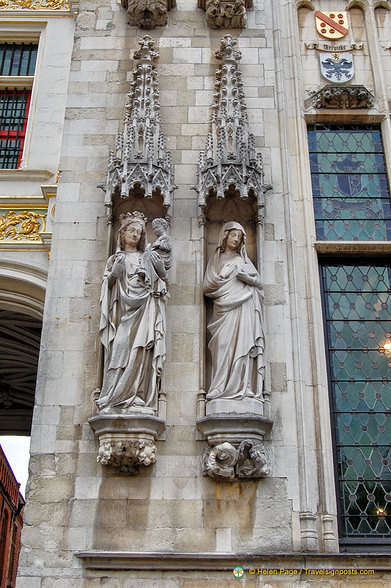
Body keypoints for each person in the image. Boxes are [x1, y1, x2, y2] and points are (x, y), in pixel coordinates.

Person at [96, 211, 168, 414]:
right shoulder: (116, 259)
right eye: (132, 231)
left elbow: (162, 279)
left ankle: (137, 395)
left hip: (146, 307)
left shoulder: (146, 256)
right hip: (123, 313)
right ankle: (113, 396)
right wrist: (115, 274)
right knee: (120, 348)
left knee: (142, 350)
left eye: (139, 232)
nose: (136, 235)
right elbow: (107, 287)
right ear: (122, 233)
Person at [203, 221, 264, 401]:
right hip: (223, 310)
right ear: (225, 235)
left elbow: (259, 284)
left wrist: (246, 277)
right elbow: (207, 287)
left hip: (244, 308)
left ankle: (243, 387)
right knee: (222, 346)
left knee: (242, 348)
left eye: (239, 237)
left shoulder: (243, 261)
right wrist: (222, 277)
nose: (236, 240)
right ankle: (219, 386)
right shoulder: (217, 259)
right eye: (233, 236)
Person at [137, 217, 172, 292]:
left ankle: (144, 271)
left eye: (157, 227)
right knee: (146, 254)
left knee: (148, 254)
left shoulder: (166, 237)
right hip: (157, 257)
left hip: (162, 258)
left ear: (164, 227)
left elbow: (168, 247)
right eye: (153, 228)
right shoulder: (159, 239)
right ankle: (144, 271)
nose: (155, 230)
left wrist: (158, 245)